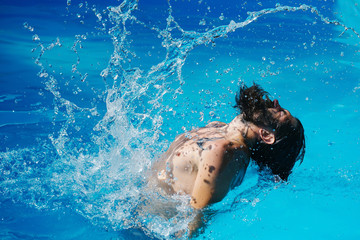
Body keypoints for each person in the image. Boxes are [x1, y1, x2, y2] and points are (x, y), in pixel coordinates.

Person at [150, 83, 305, 209]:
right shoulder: (217, 127)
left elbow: (195, 215)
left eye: (281, 113)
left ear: (266, 135)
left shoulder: (224, 151)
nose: (275, 103)